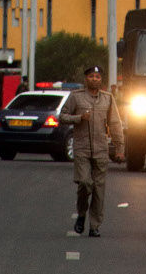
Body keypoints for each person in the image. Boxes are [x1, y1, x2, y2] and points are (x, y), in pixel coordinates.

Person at [58, 64, 125, 237]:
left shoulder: (108, 98)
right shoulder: (76, 97)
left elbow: (115, 124)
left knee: (99, 190)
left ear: (101, 80)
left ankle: (94, 225)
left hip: (101, 149)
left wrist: (119, 147)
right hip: (82, 148)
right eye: (91, 77)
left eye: (97, 77)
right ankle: (81, 214)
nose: (94, 79)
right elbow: (62, 116)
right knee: (85, 183)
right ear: (86, 79)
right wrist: (79, 118)